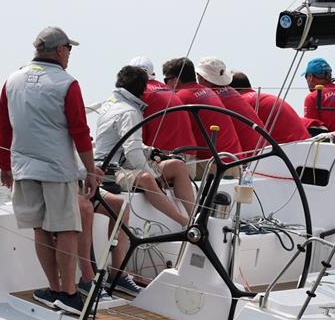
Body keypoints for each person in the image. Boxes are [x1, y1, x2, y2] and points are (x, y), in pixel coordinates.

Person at [0, 26, 102, 315]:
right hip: (56, 169)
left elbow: (3, 126)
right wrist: (91, 171)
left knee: (40, 228)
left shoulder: (12, 80)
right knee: (66, 227)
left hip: (23, 167)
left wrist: (4, 165)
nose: (69, 55)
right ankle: (68, 293)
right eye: (69, 49)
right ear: (59, 50)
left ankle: (53, 288)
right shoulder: (66, 83)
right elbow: (80, 131)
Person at [94, 65, 195, 227]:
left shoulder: (111, 105)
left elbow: (129, 144)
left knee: (177, 165)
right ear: (142, 91)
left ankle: (194, 218)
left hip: (120, 164)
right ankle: (185, 223)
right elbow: (133, 153)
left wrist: (151, 152)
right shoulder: (130, 112)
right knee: (147, 178)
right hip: (109, 172)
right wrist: (154, 177)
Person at [162, 57, 241, 160]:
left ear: (175, 80)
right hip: (235, 160)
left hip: (213, 165)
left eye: (165, 80)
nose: (165, 85)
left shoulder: (180, 98)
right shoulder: (209, 91)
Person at [195, 57, 266, 155]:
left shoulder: (209, 97)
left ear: (203, 78)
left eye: (197, 75)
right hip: (264, 148)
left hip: (250, 157)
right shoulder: (232, 91)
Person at [127, 56, 197, 153]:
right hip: (189, 151)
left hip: (165, 153)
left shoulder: (138, 91)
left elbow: (138, 132)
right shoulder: (165, 87)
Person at [230, 71, 310, 144]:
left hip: (287, 148)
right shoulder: (262, 97)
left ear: (230, 90)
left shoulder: (243, 102)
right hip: (304, 143)